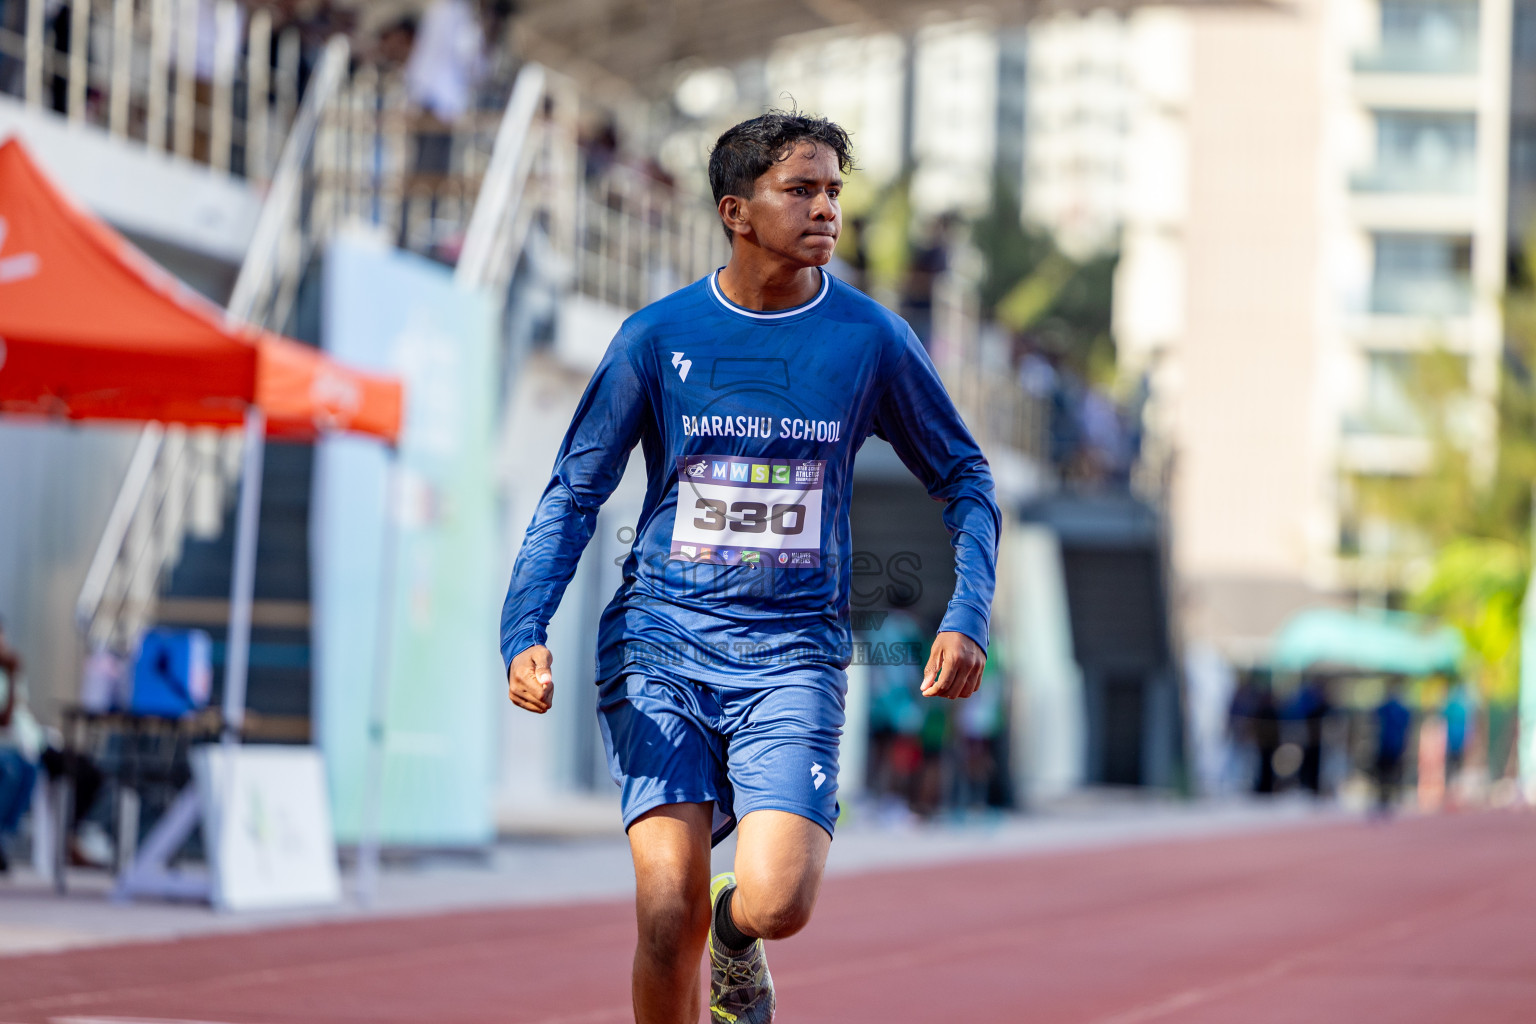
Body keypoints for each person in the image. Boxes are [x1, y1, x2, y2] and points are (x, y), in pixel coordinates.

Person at [500, 110, 999, 1024]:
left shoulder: (871, 340)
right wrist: (522, 630)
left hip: (795, 656)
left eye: (834, 193)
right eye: (800, 190)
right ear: (736, 210)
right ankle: (702, 936)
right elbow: (574, 492)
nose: (826, 211)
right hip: (661, 645)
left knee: (778, 903)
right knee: (663, 914)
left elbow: (966, 476)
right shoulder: (655, 337)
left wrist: (969, 609)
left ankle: (740, 939)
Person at [1374, 679, 1412, 816]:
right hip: (1391, 745)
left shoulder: (1392, 708)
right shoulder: (1399, 709)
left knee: (1388, 774)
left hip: (1389, 745)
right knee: (1388, 773)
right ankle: (1387, 798)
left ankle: (1387, 798)